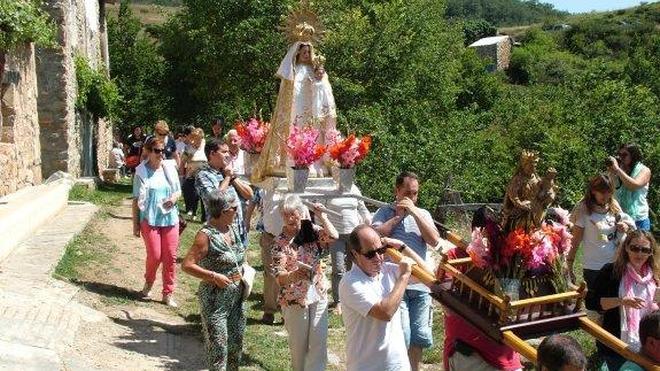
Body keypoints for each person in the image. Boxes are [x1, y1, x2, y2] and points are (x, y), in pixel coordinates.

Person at [372, 171, 440, 371]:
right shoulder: (384, 212)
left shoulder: (424, 214)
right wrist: (398, 217)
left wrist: (416, 213)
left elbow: (434, 241)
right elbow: (374, 236)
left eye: (415, 194)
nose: (412, 198)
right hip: (395, 285)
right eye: (408, 193)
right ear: (397, 191)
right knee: (403, 333)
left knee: (420, 335)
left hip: (420, 284)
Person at [252, 32, 337, 181]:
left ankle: (315, 162)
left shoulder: (315, 69)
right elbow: (287, 93)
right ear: (297, 52)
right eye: (303, 52)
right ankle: (294, 161)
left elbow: (325, 90)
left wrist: (320, 80)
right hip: (296, 108)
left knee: (314, 133)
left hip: (313, 109)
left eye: (309, 52)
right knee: (296, 132)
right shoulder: (292, 69)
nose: (306, 55)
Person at [270, 195, 338, 371]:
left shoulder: (311, 230)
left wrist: (322, 216)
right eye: (286, 217)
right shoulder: (279, 242)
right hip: (294, 298)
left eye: (294, 216)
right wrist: (294, 275)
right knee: (299, 348)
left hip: (318, 292)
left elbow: (333, 236)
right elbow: (279, 277)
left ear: (301, 213)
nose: (291, 222)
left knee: (318, 343)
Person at [182, 190, 246, 371]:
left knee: (235, 346)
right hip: (214, 299)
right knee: (218, 348)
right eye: (234, 208)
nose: (237, 210)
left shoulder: (231, 228)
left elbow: (238, 256)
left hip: (236, 297)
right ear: (224, 211)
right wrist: (214, 276)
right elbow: (187, 265)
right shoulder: (205, 235)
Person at [339, 224, 416, 371]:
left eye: (381, 250)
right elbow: (385, 312)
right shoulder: (350, 282)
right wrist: (404, 276)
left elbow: (429, 274)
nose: (378, 258)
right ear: (355, 254)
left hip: (398, 364)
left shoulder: (387, 270)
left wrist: (403, 248)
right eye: (370, 254)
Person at [586, 230, 659, 370]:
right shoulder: (610, 271)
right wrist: (621, 301)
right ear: (626, 248)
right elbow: (591, 303)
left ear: (651, 252)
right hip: (617, 343)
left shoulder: (654, 274)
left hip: (650, 344)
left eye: (645, 250)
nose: (639, 254)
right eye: (635, 248)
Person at [440, 247, 523, 371]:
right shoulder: (454, 255)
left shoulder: (516, 254)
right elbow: (448, 307)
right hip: (470, 353)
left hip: (507, 353)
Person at [131, 136, 181, 307]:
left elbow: (177, 191)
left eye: (163, 150)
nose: (161, 154)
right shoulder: (141, 172)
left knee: (170, 256)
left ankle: (168, 293)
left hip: (170, 218)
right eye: (157, 151)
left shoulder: (169, 169)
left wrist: (174, 199)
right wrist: (135, 224)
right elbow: (136, 200)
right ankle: (149, 281)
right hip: (150, 219)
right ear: (149, 152)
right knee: (155, 255)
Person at [568, 174, 636, 289]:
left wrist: (625, 226)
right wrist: (569, 264)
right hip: (593, 266)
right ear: (593, 191)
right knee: (595, 302)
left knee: (613, 301)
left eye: (609, 192)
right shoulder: (583, 209)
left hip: (615, 264)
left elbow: (627, 226)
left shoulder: (613, 206)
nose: (606, 196)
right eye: (602, 192)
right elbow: (575, 241)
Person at [324, 184, 372, 314]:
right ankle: (338, 302)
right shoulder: (328, 189)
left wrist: (369, 221)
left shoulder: (354, 188)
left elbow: (362, 208)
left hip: (354, 234)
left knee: (354, 268)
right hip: (336, 235)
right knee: (338, 268)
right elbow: (320, 213)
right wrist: (322, 231)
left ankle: (352, 298)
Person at [195, 139, 252, 246]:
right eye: (224, 152)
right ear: (212, 154)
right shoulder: (203, 175)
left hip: (238, 229)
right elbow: (215, 199)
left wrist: (232, 178)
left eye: (228, 152)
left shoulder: (226, 171)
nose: (228, 155)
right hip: (220, 233)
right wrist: (227, 178)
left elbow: (249, 194)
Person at [608, 143, 652, 231]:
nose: (621, 157)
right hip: (620, 217)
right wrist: (611, 172)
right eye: (619, 155)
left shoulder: (644, 170)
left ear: (633, 155)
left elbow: (633, 186)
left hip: (638, 219)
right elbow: (610, 190)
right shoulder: (619, 170)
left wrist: (617, 170)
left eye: (624, 155)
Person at [181, 127, 207, 221]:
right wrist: (182, 174)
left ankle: (205, 217)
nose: (196, 140)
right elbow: (182, 161)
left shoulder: (205, 144)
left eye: (198, 138)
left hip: (204, 174)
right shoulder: (189, 147)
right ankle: (193, 211)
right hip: (191, 174)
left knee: (204, 195)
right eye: (195, 138)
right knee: (193, 194)